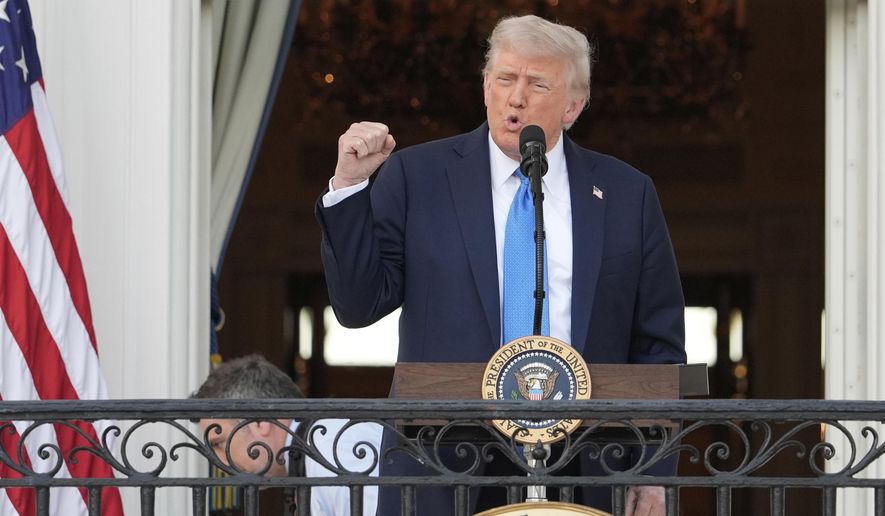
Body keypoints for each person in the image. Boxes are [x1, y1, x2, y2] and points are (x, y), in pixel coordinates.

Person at [315, 14, 686, 516]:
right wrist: (349, 187)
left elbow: (659, 346)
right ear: (486, 85)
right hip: (442, 460)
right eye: (506, 79)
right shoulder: (419, 176)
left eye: (538, 84)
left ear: (573, 106)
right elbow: (358, 306)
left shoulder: (626, 193)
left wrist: (654, 470)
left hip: (587, 465)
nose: (517, 98)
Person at [192, 354, 382, 516]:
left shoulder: (332, 449)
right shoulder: (317, 450)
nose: (219, 461)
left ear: (260, 422)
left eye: (219, 442)